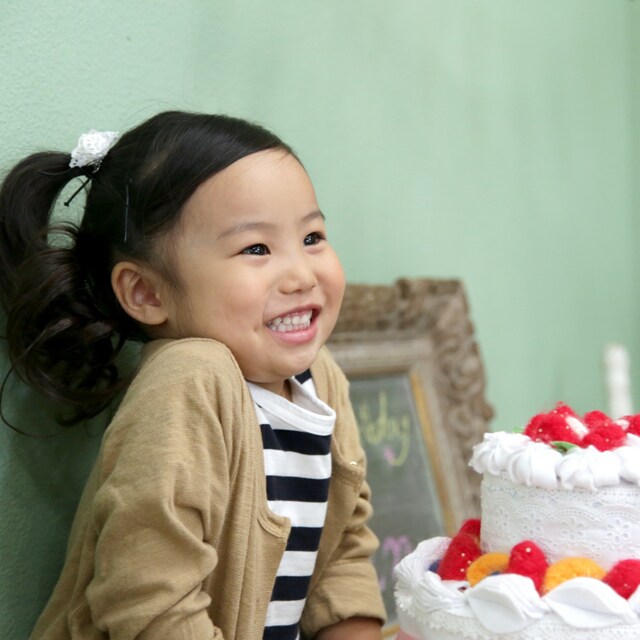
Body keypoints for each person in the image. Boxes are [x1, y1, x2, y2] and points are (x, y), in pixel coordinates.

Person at [0, 111, 386, 639]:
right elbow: (149, 602)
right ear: (146, 293)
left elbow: (342, 549)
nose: (301, 274)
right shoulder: (190, 381)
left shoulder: (320, 376)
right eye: (256, 248)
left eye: (312, 237)